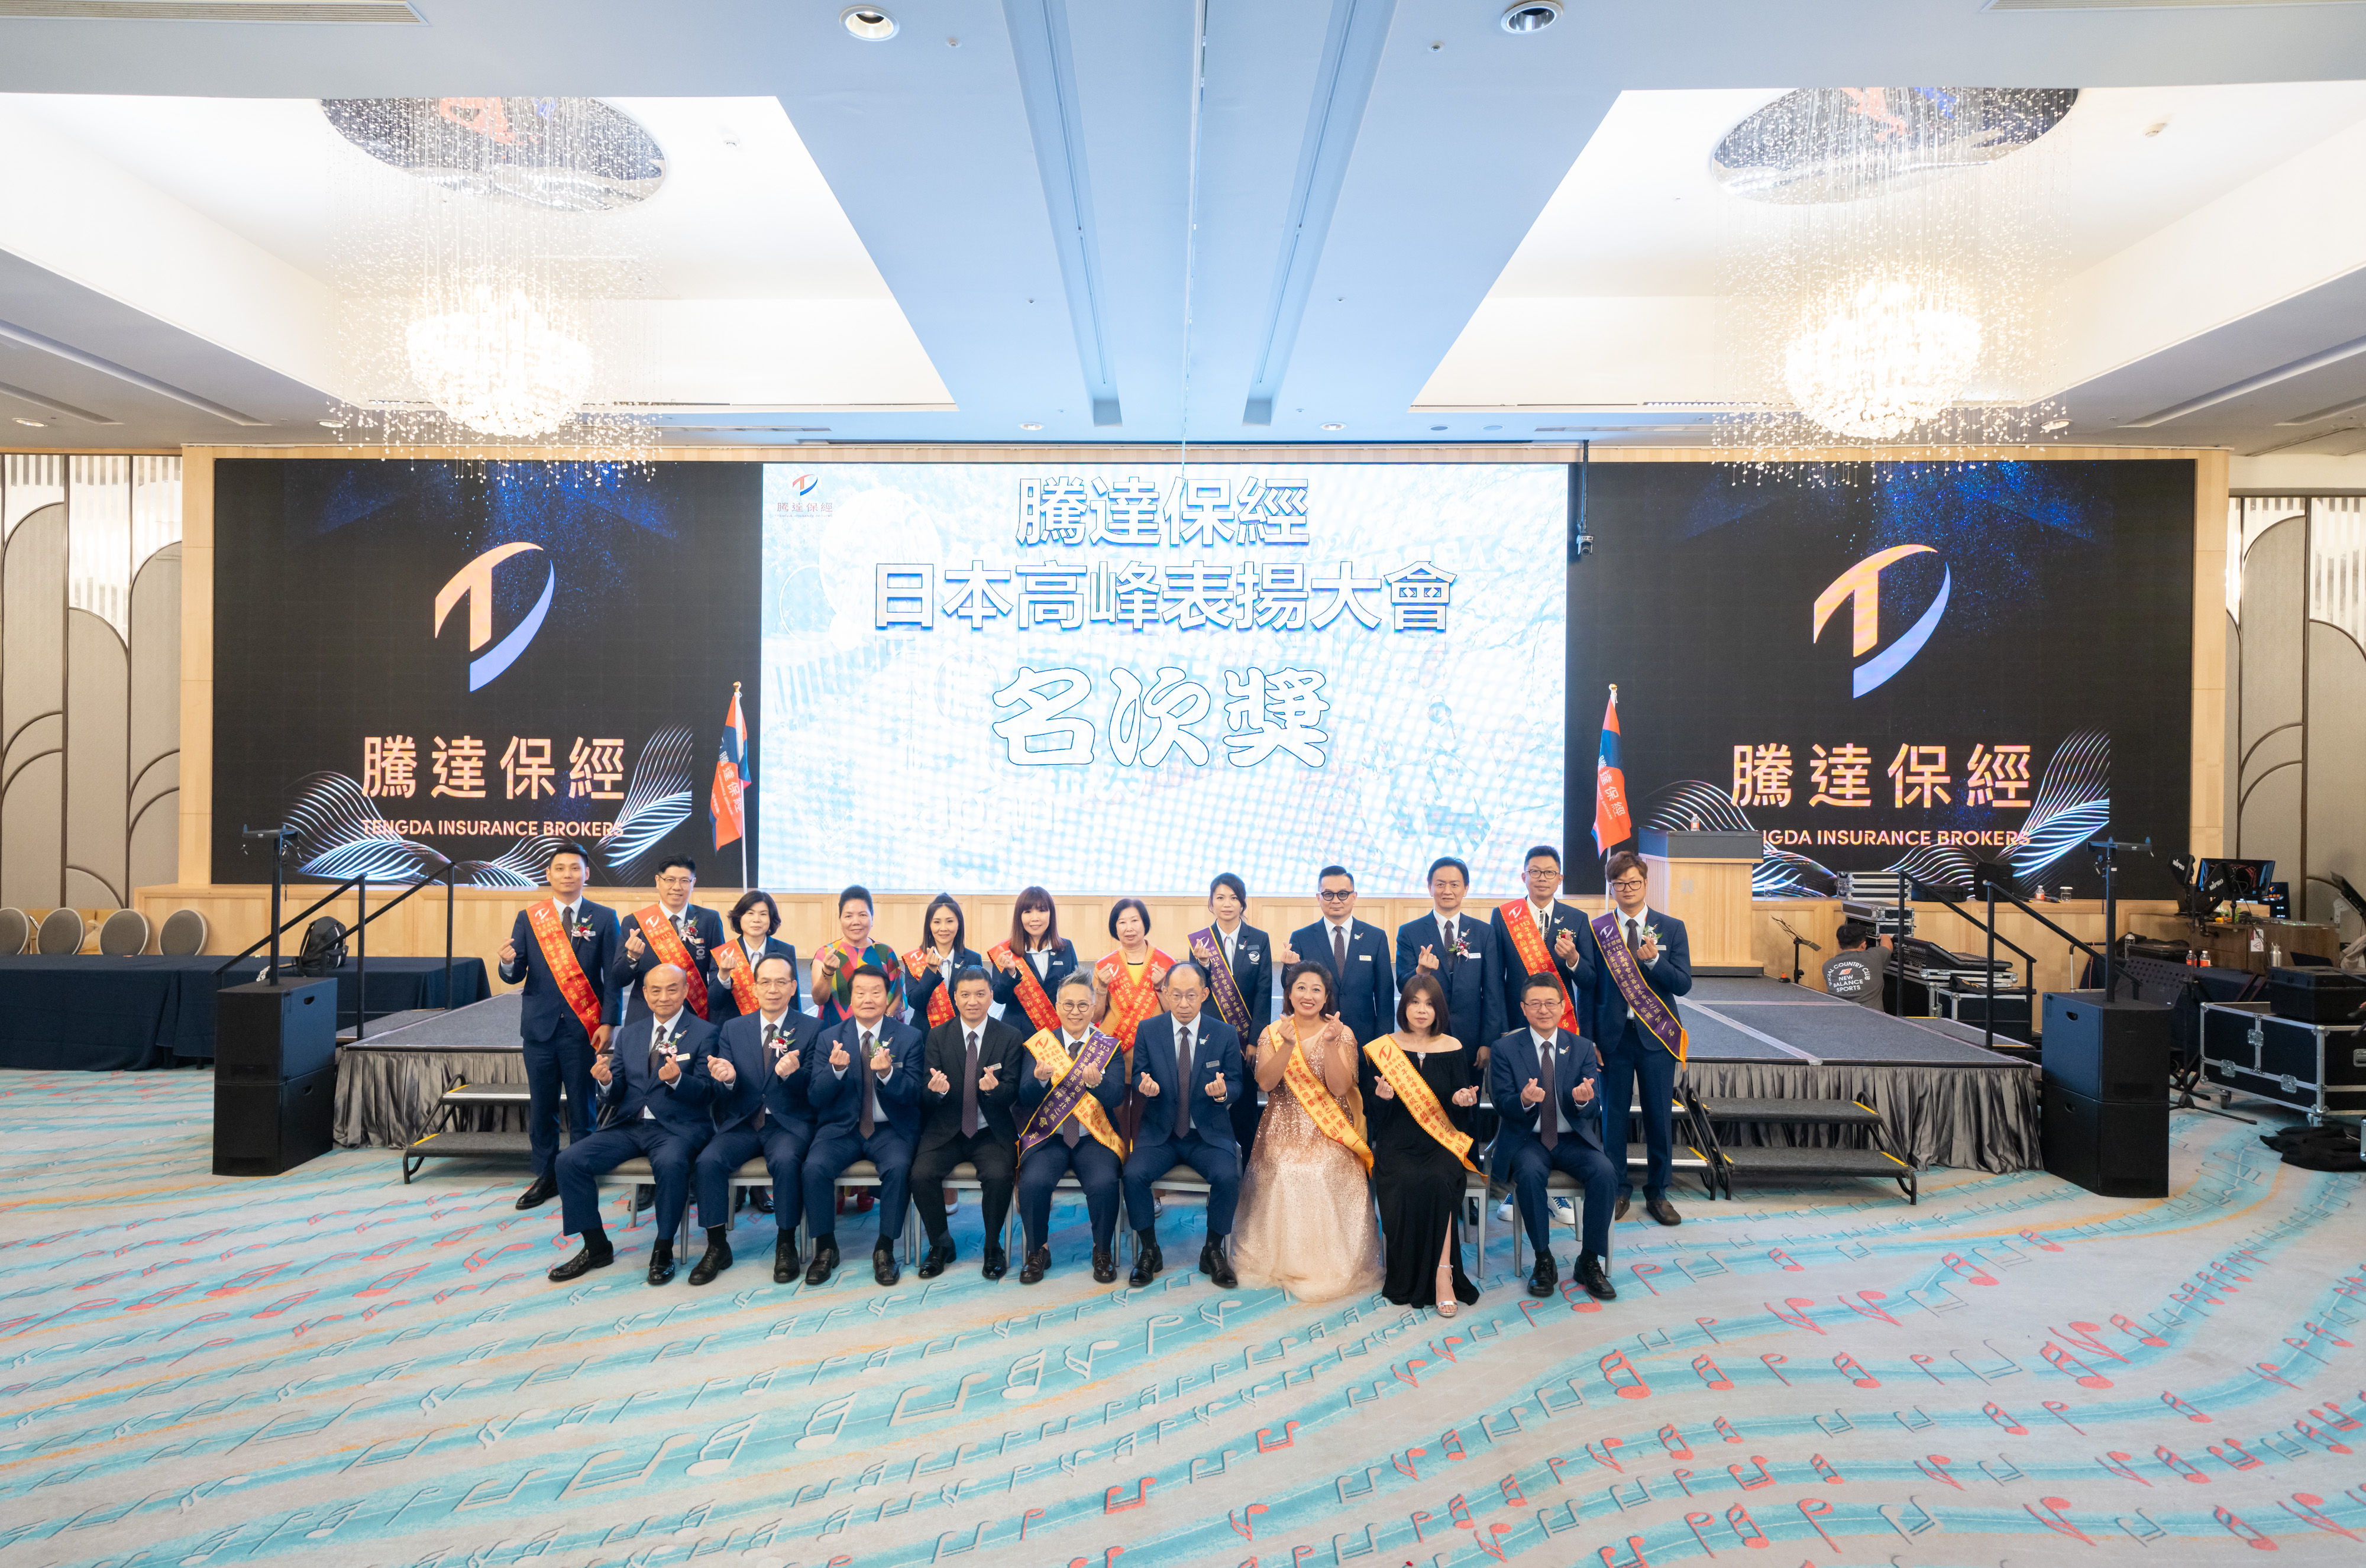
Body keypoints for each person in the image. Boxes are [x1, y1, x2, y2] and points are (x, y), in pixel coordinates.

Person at [548, 965, 718, 1286]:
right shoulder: (630, 1033)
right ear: (645, 994)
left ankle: (663, 1248)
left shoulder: (705, 1033)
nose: (664, 997)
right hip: (630, 1125)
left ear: (685, 991)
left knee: (671, 1164)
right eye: (656, 990)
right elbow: (616, 1095)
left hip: (677, 1128)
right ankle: (596, 1246)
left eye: (672, 989)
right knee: (569, 1160)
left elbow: (709, 1093)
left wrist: (679, 1081)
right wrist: (607, 1082)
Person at [1231, 962, 1385, 1303]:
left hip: (1330, 1128)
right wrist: (1287, 1045)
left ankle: (1328, 1261)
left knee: (1319, 1169)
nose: (1308, 996)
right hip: (1282, 1123)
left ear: (1327, 997)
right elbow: (1265, 1084)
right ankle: (1282, 1260)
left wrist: (1330, 1044)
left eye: (1317, 990)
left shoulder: (1342, 1033)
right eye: (1301, 988)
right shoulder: (1273, 1033)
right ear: (1289, 994)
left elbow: (1341, 1088)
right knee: (1287, 1168)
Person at [496, 843, 618, 1211]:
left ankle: (581, 1169)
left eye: (575, 868)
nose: (568, 874)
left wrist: (609, 1022)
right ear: (548, 874)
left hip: (584, 1027)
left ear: (586, 874)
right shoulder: (530, 917)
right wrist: (507, 963)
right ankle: (546, 1174)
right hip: (539, 1029)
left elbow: (612, 978)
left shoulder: (604, 917)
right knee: (542, 1105)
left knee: (583, 1105)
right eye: (560, 868)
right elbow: (516, 973)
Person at [687, 954, 819, 1286]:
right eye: (766, 982)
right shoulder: (733, 1028)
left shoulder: (813, 1028)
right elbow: (722, 1089)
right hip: (743, 1122)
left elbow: (816, 1091)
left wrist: (793, 1075)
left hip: (787, 1123)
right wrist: (728, 1079)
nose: (773, 990)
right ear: (755, 987)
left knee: (787, 1161)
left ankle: (785, 1243)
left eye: (781, 983)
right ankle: (717, 1246)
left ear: (793, 987)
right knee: (708, 1161)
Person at [1578, 849, 1692, 1227]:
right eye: (1619, 883)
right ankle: (1616, 1188)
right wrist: (1588, 1041)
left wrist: (1655, 962)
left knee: (1659, 1116)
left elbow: (1683, 984)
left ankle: (1658, 1192)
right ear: (1611, 888)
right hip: (1612, 1039)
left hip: (1657, 1037)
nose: (1627, 889)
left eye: (1634, 882)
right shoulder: (1598, 929)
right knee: (1612, 1118)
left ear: (1646, 883)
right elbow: (1588, 989)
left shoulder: (1671, 927)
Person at [1490, 972, 1618, 1302]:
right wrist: (1523, 1100)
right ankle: (1543, 1259)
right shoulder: (1504, 1048)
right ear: (1523, 1008)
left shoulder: (1581, 1047)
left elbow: (1593, 1107)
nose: (1543, 1010)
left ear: (1563, 1007)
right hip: (1528, 1139)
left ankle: (1589, 1261)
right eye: (1535, 1004)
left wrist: (1583, 1100)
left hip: (1572, 1139)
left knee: (1605, 1172)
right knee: (1530, 1174)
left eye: (1550, 1003)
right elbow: (1501, 1102)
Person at [799, 965, 925, 1286]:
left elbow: (914, 1095)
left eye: (876, 992)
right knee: (814, 1168)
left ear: (887, 997)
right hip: (842, 1128)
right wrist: (836, 1072)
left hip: (890, 1129)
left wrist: (887, 1075)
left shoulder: (909, 1037)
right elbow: (815, 1096)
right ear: (850, 998)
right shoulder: (829, 1038)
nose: (868, 999)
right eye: (860, 992)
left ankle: (885, 1248)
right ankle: (826, 1247)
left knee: (899, 1168)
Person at [1363, 971, 1481, 1314]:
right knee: (1404, 1180)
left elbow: (1462, 1116)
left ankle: (1444, 1273)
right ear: (1404, 1006)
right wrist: (1382, 1099)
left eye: (1429, 1004)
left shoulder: (1453, 1047)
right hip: (1397, 1142)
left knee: (1438, 1180)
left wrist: (1461, 1102)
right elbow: (1374, 1117)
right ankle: (1404, 1273)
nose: (1421, 1010)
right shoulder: (1384, 1048)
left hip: (1441, 1142)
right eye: (1414, 1002)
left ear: (1438, 1010)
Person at [1121, 961, 1243, 1289]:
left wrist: (1224, 1093)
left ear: (1205, 994)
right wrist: (1145, 1086)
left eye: (1191, 995)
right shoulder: (1149, 1029)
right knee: (1133, 1175)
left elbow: (1236, 1083)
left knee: (1228, 1176)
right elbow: (1140, 1075)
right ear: (1165, 993)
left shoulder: (1224, 1033)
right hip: (1161, 1133)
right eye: (1176, 995)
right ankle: (1150, 1250)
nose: (1184, 1003)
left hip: (1207, 1133)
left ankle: (1213, 1250)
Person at [909, 966, 1026, 1280]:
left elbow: (1014, 1091)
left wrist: (995, 1090)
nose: (972, 1001)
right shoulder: (938, 1036)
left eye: (980, 994)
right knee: (920, 1174)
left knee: (999, 1176)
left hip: (991, 1131)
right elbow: (925, 1093)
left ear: (991, 996)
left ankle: (992, 1247)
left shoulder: (1010, 1037)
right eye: (965, 995)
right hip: (947, 1130)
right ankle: (940, 1245)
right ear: (955, 998)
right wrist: (937, 1091)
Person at [1015, 971, 1129, 1285]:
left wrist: (1099, 1083)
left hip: (1093, 1137)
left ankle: (1102, 1250)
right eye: (1068, 1005)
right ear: (1057, 1006)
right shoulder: (1041, 1045)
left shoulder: (1108, 1046)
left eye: (1082, 1005)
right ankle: (1038, 1250)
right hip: (1049, 1137)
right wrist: (1039, 1080)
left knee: (1105, 1182)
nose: (1075, 1012)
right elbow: (1024, 1097)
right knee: (1033, 1182)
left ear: (1093, 1008)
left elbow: (1117, 1097)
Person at [1188, 873, 1272, 1152]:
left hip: (1246, 1042)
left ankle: (1247, 1169)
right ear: (1211, 902)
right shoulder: (1201, 942)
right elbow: (1197, 992)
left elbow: (1263, 993)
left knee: (1245, 1110)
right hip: (1211, 1037)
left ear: (1242, 903)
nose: (1227, 904)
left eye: (1234, 898)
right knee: (1211, 1103)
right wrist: (1202, 965)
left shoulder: (1259, 939)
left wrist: (1255, 1041)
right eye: (1221, 898)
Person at [1397, 856, 1504, 1058]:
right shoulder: (1409, 932)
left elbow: (1493, 991)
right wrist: (1420, 972)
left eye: (1454, 884)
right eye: (1440, 884)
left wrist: (1488, 1041)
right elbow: (1402, 985)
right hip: (1426, 1034)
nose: (1447, 891)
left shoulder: (1484, 932)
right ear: (1430, 888)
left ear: (1466, 888)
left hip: (1471, 1037)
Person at [1283, 865, 1394, 1045]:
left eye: (1343, 894)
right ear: (1319, 898)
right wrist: (1290, 967)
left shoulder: (1376, 937)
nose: (1336, 900)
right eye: (1328, 894)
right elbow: (1289, 988)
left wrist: (1384, 1041)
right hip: (1315, 1036)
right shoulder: (1301, 938)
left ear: (1354, 897)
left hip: (1364, 1036)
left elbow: (1385, 996)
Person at [611, 856, 726, 1028]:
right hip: (645, 1016)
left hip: (694, 1015)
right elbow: (619, 980)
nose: (677, 887)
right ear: (658, 881)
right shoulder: (635, 922)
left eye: (684, 881)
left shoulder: (710, 920)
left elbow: (717, 970)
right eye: (670, 880)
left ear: (693, 883)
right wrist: (632, 957)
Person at [1093, 898, 1172, 1145]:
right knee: (1115, 1113)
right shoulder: (1104, 967)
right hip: (1115, 1050)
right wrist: (1102, 988)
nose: (1129, 928)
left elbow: (1176, 1013)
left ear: (1144, 923)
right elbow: (1095, 1017)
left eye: (1135, 921)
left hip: (1152, 1050)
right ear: (1114, 928)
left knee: (1144, 1115)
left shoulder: (1167, 964)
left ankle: (1140, 1158)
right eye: (1122, 922)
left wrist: (1160, 988)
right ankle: (1117, 1157)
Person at [1492, 845, 1588, 1037]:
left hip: (1561, 1019)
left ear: (1560, 879)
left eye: (1550, 873)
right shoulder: (1503, 916)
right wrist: (1500, 1027)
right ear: (1524, 877)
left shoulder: (1577, 919)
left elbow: (1588, 980)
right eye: (1535, 872)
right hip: (1517, 1018)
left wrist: (1573, 959)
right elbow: (1495, 979)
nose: (1542, 878)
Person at [813, 885, 906, 1029]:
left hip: (879, 1034)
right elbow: (819, 999)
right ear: (840, 919)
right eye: (848, 916)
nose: (856, 922)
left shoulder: (885, 952)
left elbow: (897, 995)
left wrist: (885, 1024)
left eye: (863, 915)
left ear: (872, 918)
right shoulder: (826, 953)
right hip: (835, 1033)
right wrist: (828, 972)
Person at [988, 885, 1075, 1037]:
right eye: (1028, 912)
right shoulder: (1006, 951)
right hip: (1017, 1035)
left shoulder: (1066, 947)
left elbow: (1076, 989)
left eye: (1042, 910)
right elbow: (1000, 998)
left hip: (1058, 1032)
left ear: (1051, 914)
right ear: (1019, 916)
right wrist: (1010, 973)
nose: (1035, 918)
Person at [712, 889, 801, 1030]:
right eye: (750, 913)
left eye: (763, 914)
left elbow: (793, 998)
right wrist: (724, 974)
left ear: (771, 918)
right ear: (739, 917)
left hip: (775, 1028)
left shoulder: (785, 951)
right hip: (734, 1028)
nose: (757, 919)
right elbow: (714, 1003)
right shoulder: (724, 953)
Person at [904, 894, 984, 1033]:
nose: (943, 928)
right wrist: (930, 971)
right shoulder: (915, 959)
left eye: (950, 921)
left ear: (959, 924)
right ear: (929, 926)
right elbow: (915, 1003)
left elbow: (976, 999)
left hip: (961, 1032)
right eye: (937, 922)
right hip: (924, 1033)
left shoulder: (973, 959)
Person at [1824, 922, 1888, 1008]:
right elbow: (1888, 945)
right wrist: (1884, 936)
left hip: (1838, 1015)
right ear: (1864, 945)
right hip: (1871, 1016)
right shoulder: (1875, 956)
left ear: (1839, 944)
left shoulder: (1827, 965)